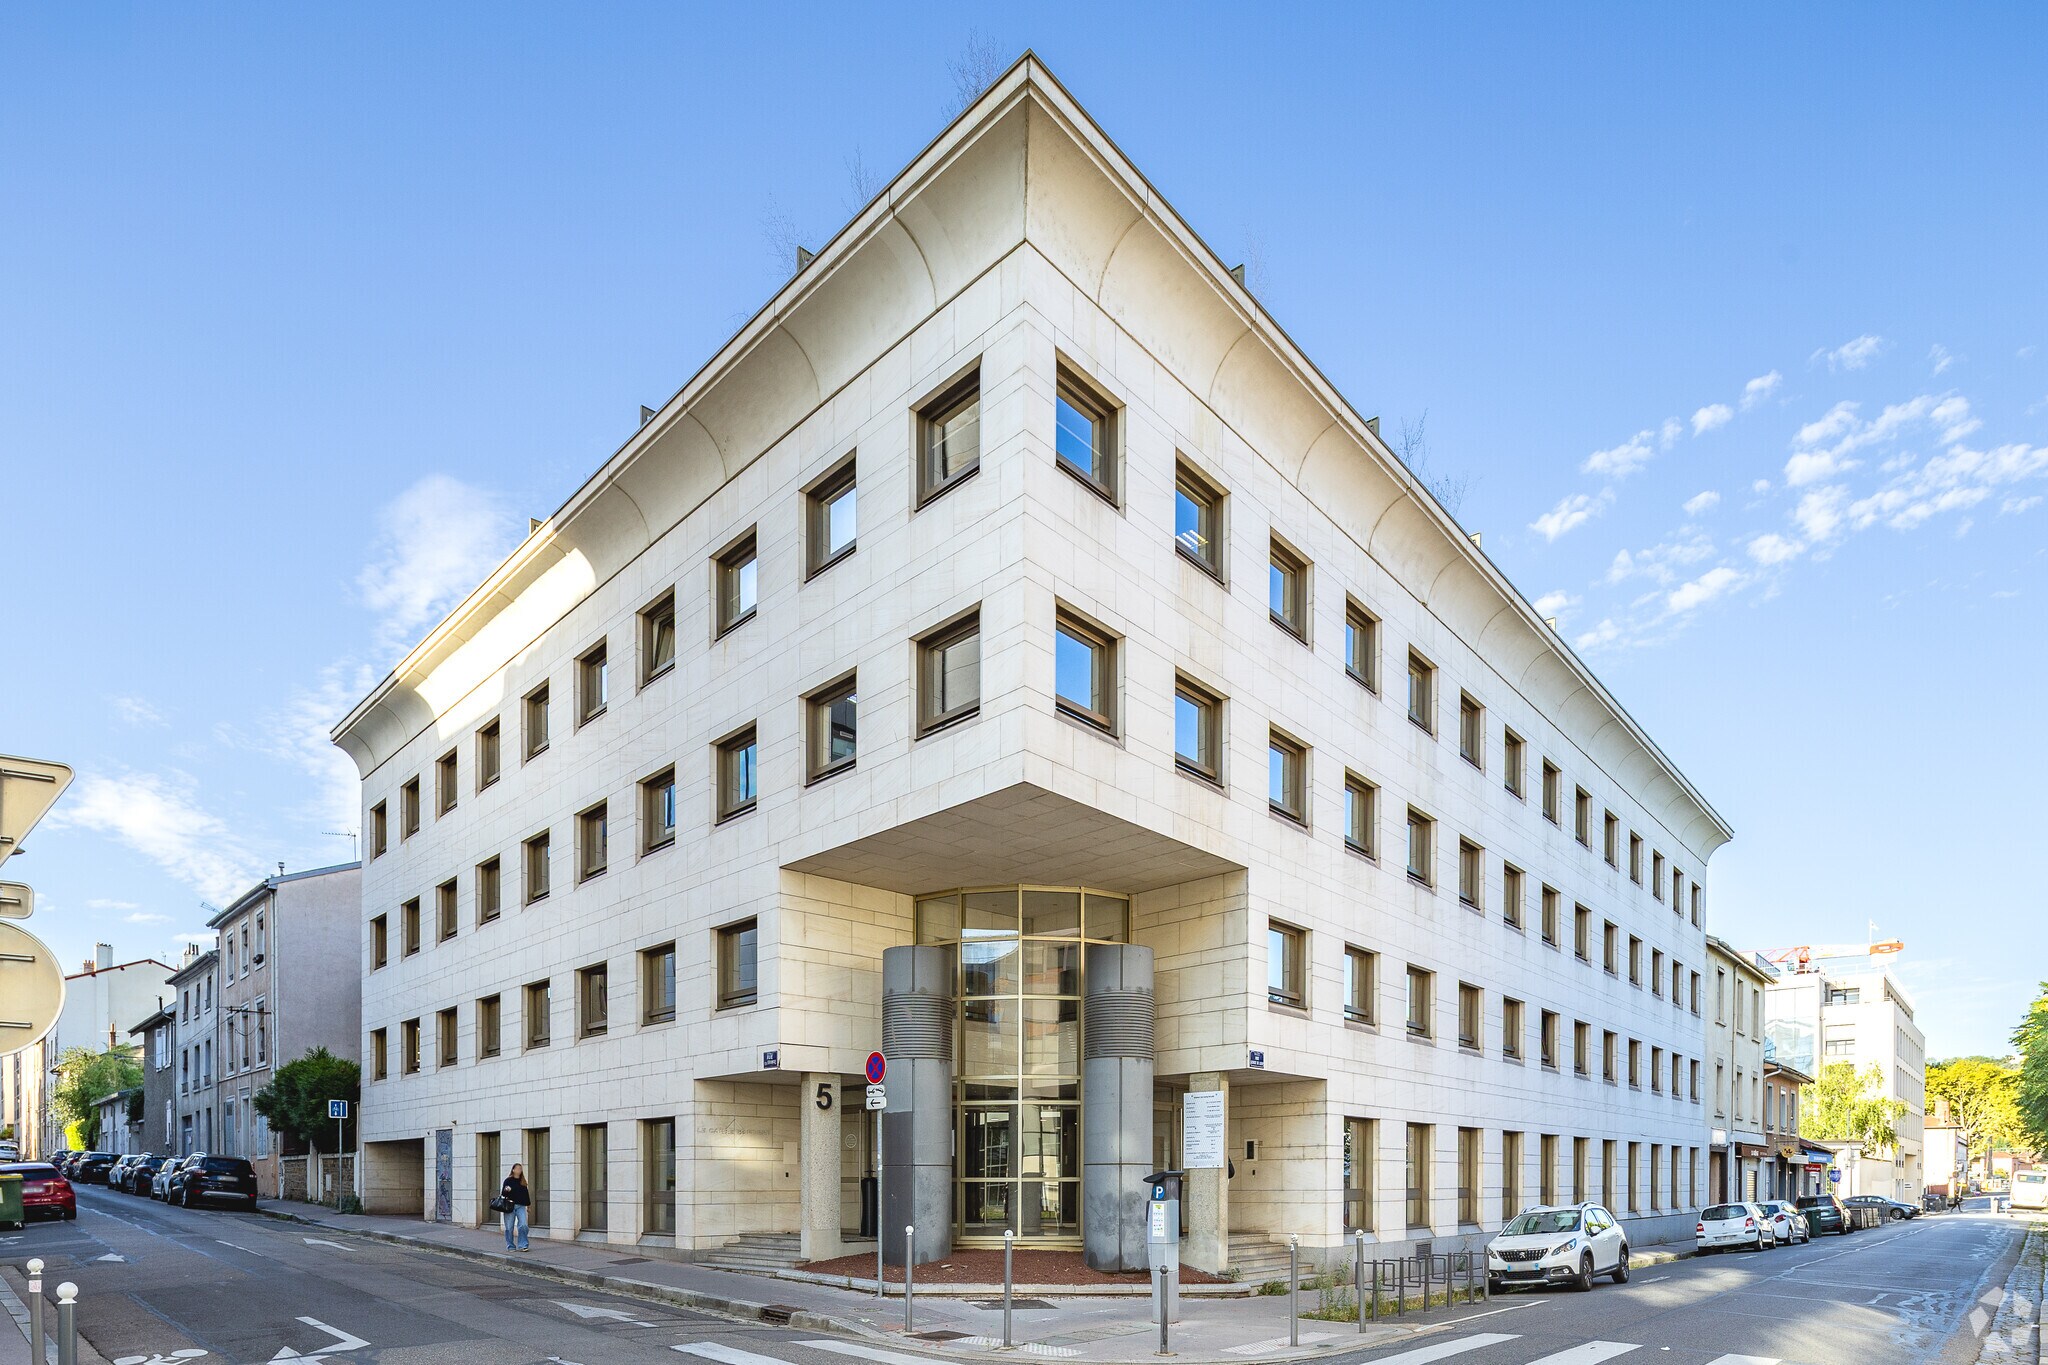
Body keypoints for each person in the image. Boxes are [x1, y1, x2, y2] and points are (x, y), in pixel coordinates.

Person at [501, 1163, 531, 1251]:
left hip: (521, 1206)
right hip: (509, 1206)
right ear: (513, 1170)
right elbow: (503, 1194)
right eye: (517, 1168)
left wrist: (529, 1205)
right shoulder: (508, 1180)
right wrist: (507, 1190)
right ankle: (510, 1246)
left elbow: (526, 1194)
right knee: (509, 1227)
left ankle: (523, 1245)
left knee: (523, 1225)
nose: (519, 1170)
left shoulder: (523, 1181)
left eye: (520, 1169)